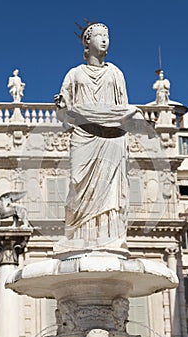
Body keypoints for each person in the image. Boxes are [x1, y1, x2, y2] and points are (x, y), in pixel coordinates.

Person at [55, 22, 143, 248]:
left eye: (107, 36)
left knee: (109, 187)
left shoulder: (115, 73)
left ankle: (109, 235)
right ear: (87, 41)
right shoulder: (74, 74)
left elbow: (123, 109)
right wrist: (62, 107)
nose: (105, 40)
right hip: (83, 137)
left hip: (111, 138)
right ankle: (79, 236)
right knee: (78, 183)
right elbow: (64, 116)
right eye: (99, 36)